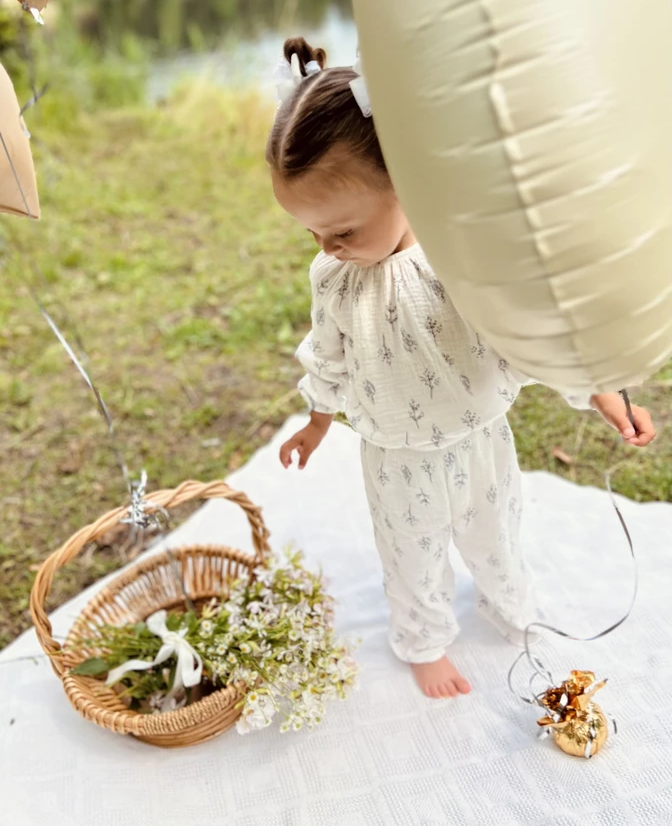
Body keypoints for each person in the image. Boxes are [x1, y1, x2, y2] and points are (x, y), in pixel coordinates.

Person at [267, 37, 656, 700]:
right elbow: (327, 354)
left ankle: (510, 607)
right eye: (312, 234)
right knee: (411, 555)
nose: (326, 247)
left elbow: (529, 333)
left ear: (406, 183)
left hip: (480, 439)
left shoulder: (461, 262)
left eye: (341, 231)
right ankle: (423, 641)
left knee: (497, 534)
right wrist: (316, 423)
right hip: (395, 455)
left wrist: (599, 393)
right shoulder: (334, 279)